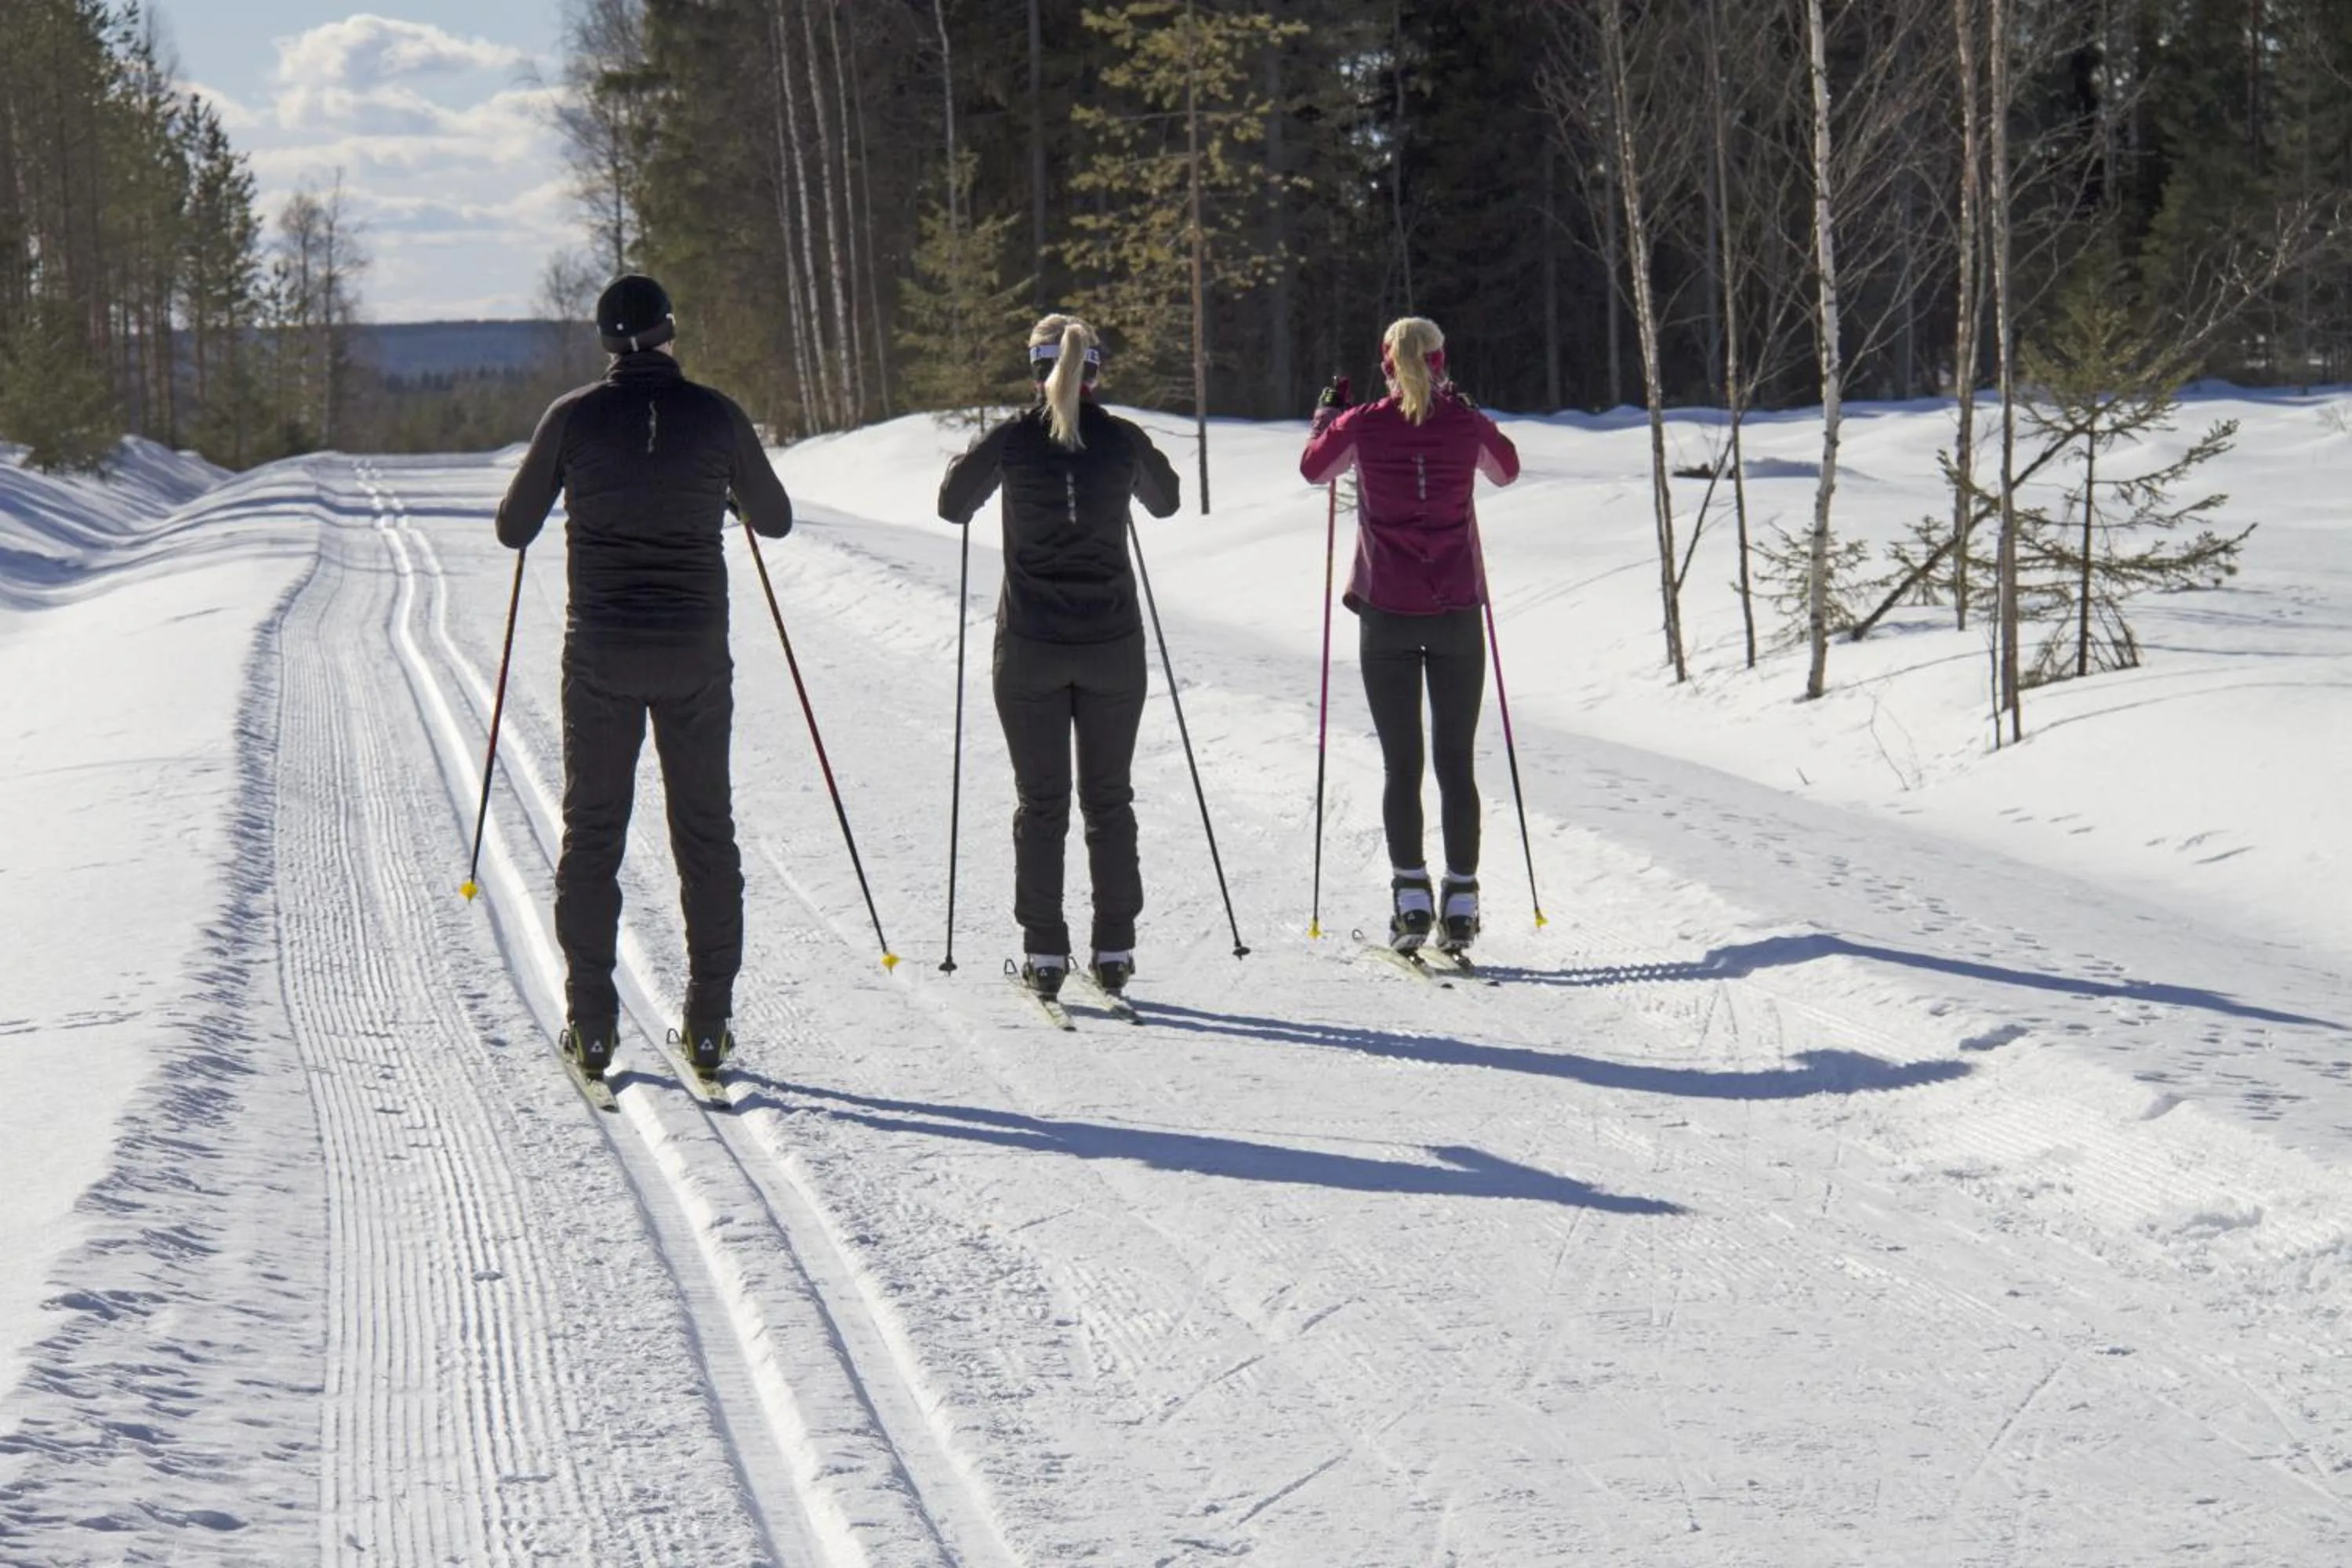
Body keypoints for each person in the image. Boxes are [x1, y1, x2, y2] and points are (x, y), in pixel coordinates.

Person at [494, 273, 793, 1079]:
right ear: (670, 331)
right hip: (694, 651)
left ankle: (592, 1026)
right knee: (705, 831)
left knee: (594, 831)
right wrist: (722, 496)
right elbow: (775, 519)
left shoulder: (572, 416)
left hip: (602, 652)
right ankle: (708, 1025)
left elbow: (514, 529)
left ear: (604, 343)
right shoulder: (716, 414)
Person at [936, 315, 1181, 1000]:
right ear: (1095, 368)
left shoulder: (1015, 436)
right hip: (1112, 648)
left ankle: (1046, 953)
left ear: (1035, 368)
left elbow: (953, 506)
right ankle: (1114, 949)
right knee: (1109, 799)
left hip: (1031, 649)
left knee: (1042, 803)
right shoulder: (1120, 437)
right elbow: (1166, 502)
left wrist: (977, 456)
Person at [1298, 315, 1519, 955]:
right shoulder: (1463, 422)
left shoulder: (1363, 422)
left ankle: (1412, 898)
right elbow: (1505, 470)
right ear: (1441, 362)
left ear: (1387, 364)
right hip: (1457, 613)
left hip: (1388, 611)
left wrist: (1325, 415)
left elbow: (1315, 469)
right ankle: (1462, 901)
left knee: (1403, 763)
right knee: (1456, 761)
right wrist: (1471, 413)